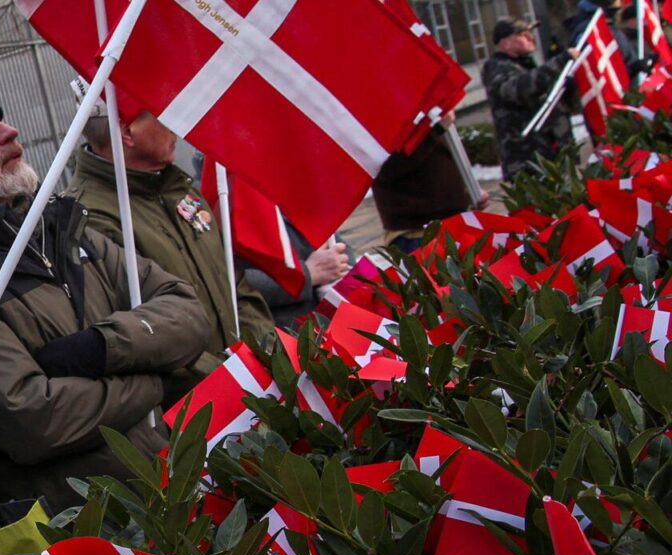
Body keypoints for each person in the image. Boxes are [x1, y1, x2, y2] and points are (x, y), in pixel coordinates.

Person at [0, 77, 210, 512]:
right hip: (86, 535)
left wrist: (100, 349)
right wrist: (155, 376)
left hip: (168, 493)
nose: (9, 131)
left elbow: (188, 311)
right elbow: (38, 421)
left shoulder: (65, 233)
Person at [67, 99, 275, 386]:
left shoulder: (176, 188)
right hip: (200, 404)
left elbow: (234, 283)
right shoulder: (91, 220)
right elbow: (137, 334)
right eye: (163, 117)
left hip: (252, 381)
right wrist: (227, 379)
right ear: (127, 133)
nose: (176, 126)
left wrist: (265, 352)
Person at [372, 112, 489, 254]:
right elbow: (386, 167)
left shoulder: (428, 108)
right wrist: (435, 131)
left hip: (453, 224)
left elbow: (438, 161)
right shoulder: (378, 113)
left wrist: (468, 192)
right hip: (417, 233)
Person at [482, 18, 580, 180]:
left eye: (530, 33)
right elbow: (517, 90)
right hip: (527, 161)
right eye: (523, 34)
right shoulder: (496, 67)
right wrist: (556, 64)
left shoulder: (526, 64)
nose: (530, 37)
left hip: (551, 155)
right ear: (505, 43)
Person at [240, 225, 351, 328]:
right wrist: (307, 274)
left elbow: (339, 245)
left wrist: (341, 266)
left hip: (337, 316)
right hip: (283, 332)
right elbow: (229, 283)